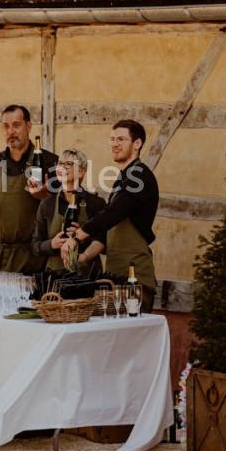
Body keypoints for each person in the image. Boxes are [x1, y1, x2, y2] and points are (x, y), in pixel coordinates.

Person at [74, 120, 160, 311]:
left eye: (121, 139)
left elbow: (114, 213)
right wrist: (84, 257)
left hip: (134, 277)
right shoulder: (123, 178)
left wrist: (79, 235)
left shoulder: (140, 176)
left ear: (137, 144)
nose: (114, 144)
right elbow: (109, 230)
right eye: (112, 139)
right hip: (114, 275)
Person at [0, 105, 58, 273]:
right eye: (6, 126)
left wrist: (46, 195)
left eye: (16, 125)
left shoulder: (49, 162)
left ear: (28, 126)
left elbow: (61, 208)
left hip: (32, 258)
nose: (11, 131)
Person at [31, 149, 106, 277]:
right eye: (60, 163)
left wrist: (82, 238)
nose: (62, 167)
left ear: (81, 172)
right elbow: (35, 246)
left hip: (87, 276)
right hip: (54, 277)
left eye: (69, 164)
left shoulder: (95, 203)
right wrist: (51, 244)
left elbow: (105, 243)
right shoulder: (47, 204)